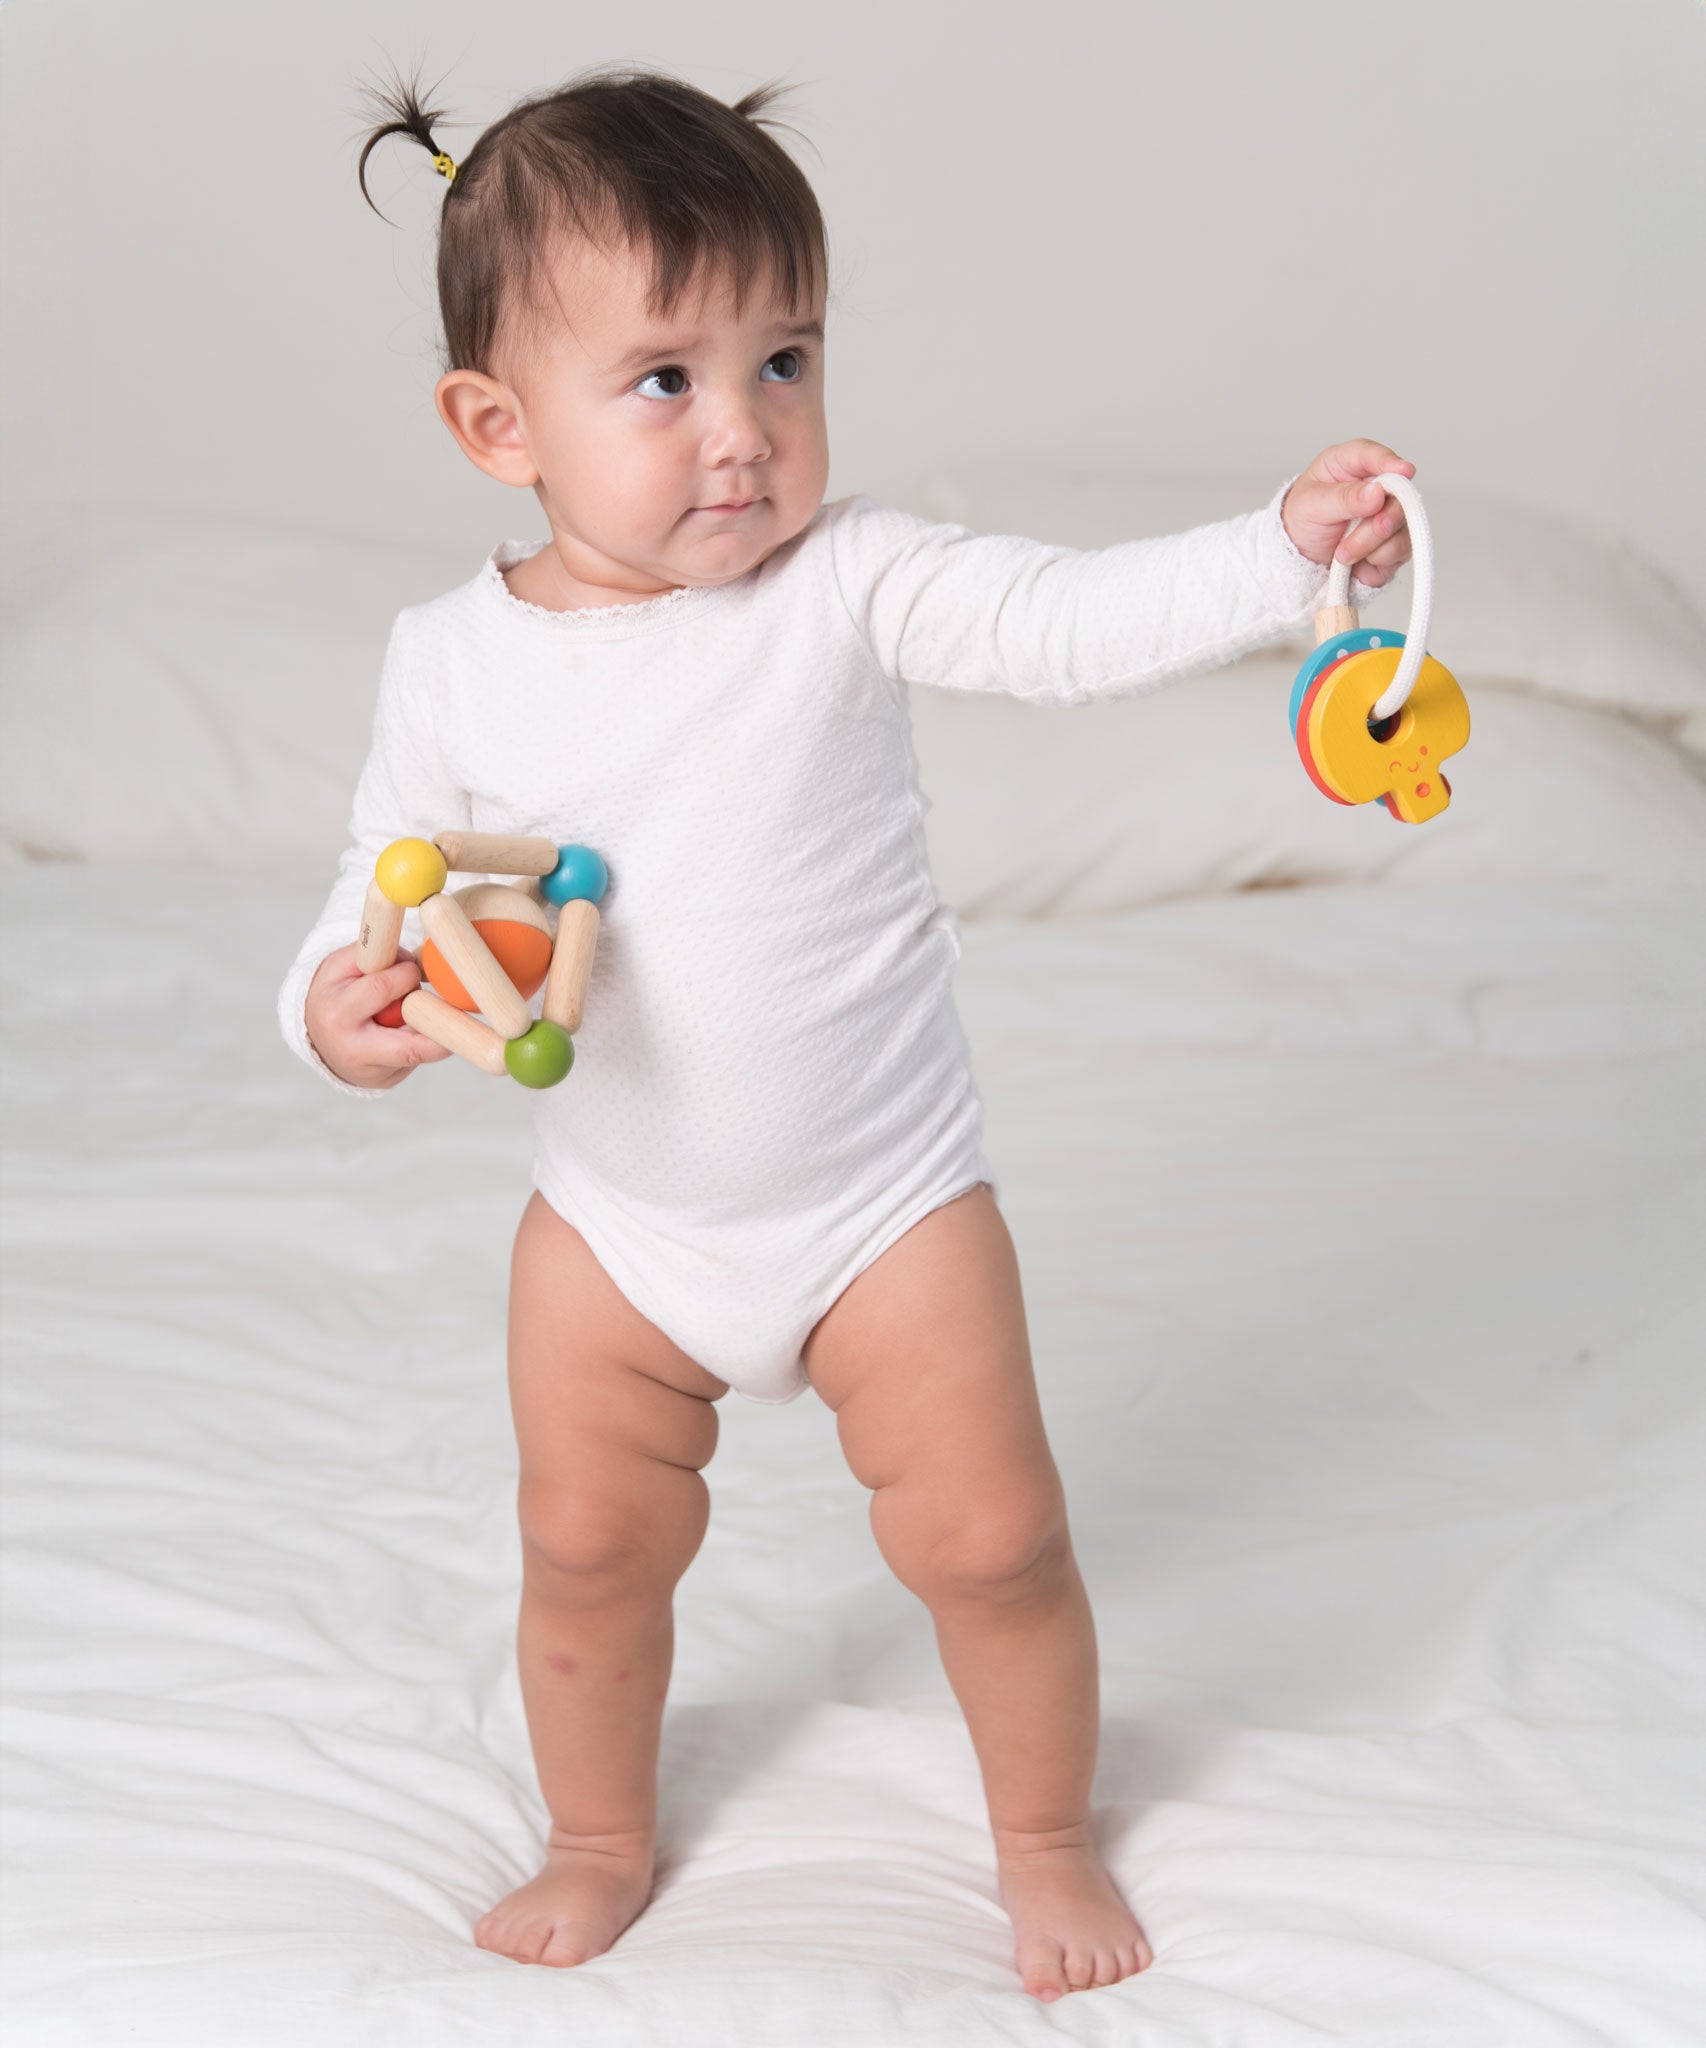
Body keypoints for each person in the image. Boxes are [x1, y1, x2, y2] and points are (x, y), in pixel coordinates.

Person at [276, 58, 1411, 2003]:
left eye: (782, 361)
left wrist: (1281, 551)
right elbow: (382, 877)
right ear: (495, 423)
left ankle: (1042, 1834)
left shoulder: (850, 582)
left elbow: (1069, 623)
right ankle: (597, 1832)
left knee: (990, 1541)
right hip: (618, 1231)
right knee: (584, 1551)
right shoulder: (447, 662)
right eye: (664, 379)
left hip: (882, 1206)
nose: (742, 434)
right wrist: (336, 1011)